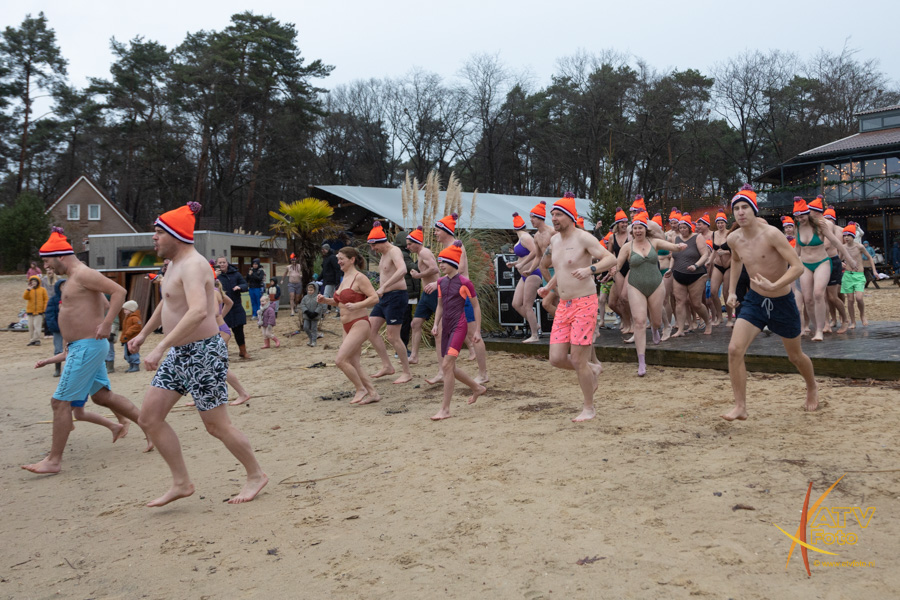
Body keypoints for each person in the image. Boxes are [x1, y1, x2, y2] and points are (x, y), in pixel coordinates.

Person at [129, 202, 267, 506]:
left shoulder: (194, 264)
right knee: (149, 418)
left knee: (216, 425)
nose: (153, 239)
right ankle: (181, 483)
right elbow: (167, 303)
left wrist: (161, 346)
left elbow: (198, 311)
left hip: (203, 352)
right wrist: (143, 333)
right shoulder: (174, 265)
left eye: (157, 233)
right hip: (179, 353)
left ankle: (256, 474)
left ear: (175, 235)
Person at [22, 228, 149, 475]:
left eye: (48, 262)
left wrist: (105, 324)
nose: (47, 268)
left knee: (59, 403)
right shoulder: (77, 278)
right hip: (84, 345)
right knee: (102, 397)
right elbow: (101, 301)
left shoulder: (82, 273)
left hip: (86, 347)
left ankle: (54, 460)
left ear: (60, 256)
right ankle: (151, 428)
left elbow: (119, 292)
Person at [722, 185, 818, 420]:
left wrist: (775, 286)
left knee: (795, 356)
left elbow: (797, 267)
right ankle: (740, 406)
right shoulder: (733, 238)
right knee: (734, 350)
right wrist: (732, 291)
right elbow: (735, 262)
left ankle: (812, 386)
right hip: (755, 300)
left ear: (754, 210)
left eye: (745, 207)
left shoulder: (772, 234)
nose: (741, 212)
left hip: (782, 300)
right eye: (736, 208)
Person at [536, 193, 617, 422]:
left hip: (585, 302)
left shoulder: (584, 238)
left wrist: (590, 270)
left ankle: (589, 408)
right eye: (552, 215)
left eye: (558, 215)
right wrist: (549, 287)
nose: (554, 219)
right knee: (556, 358)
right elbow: (560, 270)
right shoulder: (554, 241)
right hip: (564, 303)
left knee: (578, 359)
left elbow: (610, 258)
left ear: (571, 217)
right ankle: (593, 368)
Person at [615, 211, 686, 376]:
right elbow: (617, 264)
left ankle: (655, 329)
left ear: (646, 229)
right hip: (635, 285)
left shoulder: (654, 242)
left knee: (656, 320)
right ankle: (641, 361)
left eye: (640, 228)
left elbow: (673, 247)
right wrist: (608, 271)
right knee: (639, 322)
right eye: (635, 228)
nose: (638, 231)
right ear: (632, 231)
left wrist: (679, 247)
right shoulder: (628, 247)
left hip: (655, 284)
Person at [425, 213, 489, 385]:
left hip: (462, 296)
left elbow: (458, 271)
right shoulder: (446, 247)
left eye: (437, 231)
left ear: (446, 230)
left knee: (474, 334)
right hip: (448, 297)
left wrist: (436, 282)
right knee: (439, 333)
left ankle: (483, 374)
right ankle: (442, 371)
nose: (435, 234)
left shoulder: (456, 246)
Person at [430, 241, 487, 420]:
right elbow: (440, 305)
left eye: (443, 262)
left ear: (453, 263)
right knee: (449, 366)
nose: (441, 265)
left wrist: (477, 330)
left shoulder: (465, 282)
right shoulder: (440, 282)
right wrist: (435, 324)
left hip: (459, 326)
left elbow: (476, 307)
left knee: (446, 365)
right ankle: (477, 387)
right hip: (445, 326)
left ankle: (445, 409)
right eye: (440, 262)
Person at [317, 247, 381, 404]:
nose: (338, 262)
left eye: (341, 259)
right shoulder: (344, 277)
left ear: (352, 260)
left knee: (340, 360)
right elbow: (340, 302)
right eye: (338, 259)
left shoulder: (360, 277)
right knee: (353, 362)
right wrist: (326, 300)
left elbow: (374, 298)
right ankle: (373, 393)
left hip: (359, 323)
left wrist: (359, 305)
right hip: (346, 325)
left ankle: (361, 389)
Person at [793, 197, 855, 342]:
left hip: (822, 262)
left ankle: (820, 331)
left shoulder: (820, 226)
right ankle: (816, 327)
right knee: (808, 299)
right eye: (797, 216)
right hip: (805, 264)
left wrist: (849, 259)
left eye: (802, 216)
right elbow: (797, 248)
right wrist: (791, 266)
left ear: (808, 214)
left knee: (819, 294)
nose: (799, 219)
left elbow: (835, 242)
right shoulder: (798, 227)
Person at [366, 221, 413, 384]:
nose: (373, 249)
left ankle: (406, 372)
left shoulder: (394, 251)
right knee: (370, 330)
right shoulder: (384, 255)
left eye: (374, 246)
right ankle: (387, 366)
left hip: (396, 296)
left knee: (393, 336)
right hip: (384, 298)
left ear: (380, 241)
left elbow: (403, 270)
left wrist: (384, 286)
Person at [670, 214, 713, 337]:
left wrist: (696, 265)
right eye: (680, 227)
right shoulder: (675, 238)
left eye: (685, 227)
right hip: (678, 273)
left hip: (697, 274)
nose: (682, 230)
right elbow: (673, 255)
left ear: (690, 227)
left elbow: (705, 254)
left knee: (696, 303)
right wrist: (669, 268)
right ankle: (680, 329)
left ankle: (708, 322)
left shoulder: (697, 237)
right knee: (680, 301)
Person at [407, 226, 440, 365]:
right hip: (426, 293)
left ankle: (472, 347)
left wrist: (418, 275)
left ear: (417, 242)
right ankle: (414, 356)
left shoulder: (424, 253)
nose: (408, 247)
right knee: (415, 324)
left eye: (410, 244)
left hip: (434, 292)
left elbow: (435, 268)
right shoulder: (421, 254)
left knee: (446, 323)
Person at [508, 213, 542, 342]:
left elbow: (535, 252)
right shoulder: (520, 239)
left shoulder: (526, 237)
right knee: (516, 303)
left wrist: (522, 264)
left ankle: (534, 335)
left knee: (527, 305)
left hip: (532, 273)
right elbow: (523, 257)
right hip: (524, 275)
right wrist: (515, 263)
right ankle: (535, 324)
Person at [841, 223, 877, 328]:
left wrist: (874, 271)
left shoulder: (860, 246)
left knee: (859, 298)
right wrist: (841, 263)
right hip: (847, 275)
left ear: (853, 236)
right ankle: (853, 321)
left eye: (848, 235)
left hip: (859, 275)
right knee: (850, 300)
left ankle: (862, 315)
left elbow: (870, 257)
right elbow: (837, 258)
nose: (846, 237)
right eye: (844, 235)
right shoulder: (843, 247)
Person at [216, 256, 251, 359]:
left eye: (224, 262)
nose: (222, 264)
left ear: (227, 263)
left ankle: (243, 351)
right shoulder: (213, 274)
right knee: (222, 332)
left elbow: (245, 284)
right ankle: (223, 354)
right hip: (222, 308)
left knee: (239, 331)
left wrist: (240, 287)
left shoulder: (236, 274)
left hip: (236, 306)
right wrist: (214, 276)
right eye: (220, 262)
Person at [710, 210, 733, 327]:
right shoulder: (713, 234)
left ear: (725, 223)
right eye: (718, 223)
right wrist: (709, 262)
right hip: (717, 265)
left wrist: (725, 251)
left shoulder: (730, 233)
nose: (720, 225)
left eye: (722, 222)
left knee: (726, 292)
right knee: (713, 291)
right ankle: (720, 317)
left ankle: (729, 318)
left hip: (729, 265)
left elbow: (736, 250)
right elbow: (713, 250)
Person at [44, 279, 66, 377]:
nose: (64, 288)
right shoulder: (53, 300)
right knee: (58, 348)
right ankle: (57, 369)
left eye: (66, 286)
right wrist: (55, 327)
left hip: (71, 328)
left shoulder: (72, 298)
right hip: (58, 328)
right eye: (62, 286)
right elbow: (49, 314)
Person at [23, 276, 48, 346]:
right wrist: (28, 290)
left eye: (35, 281)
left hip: (39, 312)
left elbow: (46, 299)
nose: (34, 283)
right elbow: (25, 297)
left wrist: (44, 308)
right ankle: (32, 339)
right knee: (31, 327)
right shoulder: (29, 290)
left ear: (38, 282)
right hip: (30, 311)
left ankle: (36, 340)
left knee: (37, 326)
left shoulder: (43, 290)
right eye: (32, 282)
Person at [120, 300, 143, 372]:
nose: (124, 311)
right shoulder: (127, 318)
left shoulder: (135, 318)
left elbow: (137, 326)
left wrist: (128, 332)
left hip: (132, 338)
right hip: (127, 338)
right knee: (128, 353)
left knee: (133, 351)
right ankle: (131, 365)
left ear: (131, 309)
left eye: (126, 309)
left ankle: (136, 365)